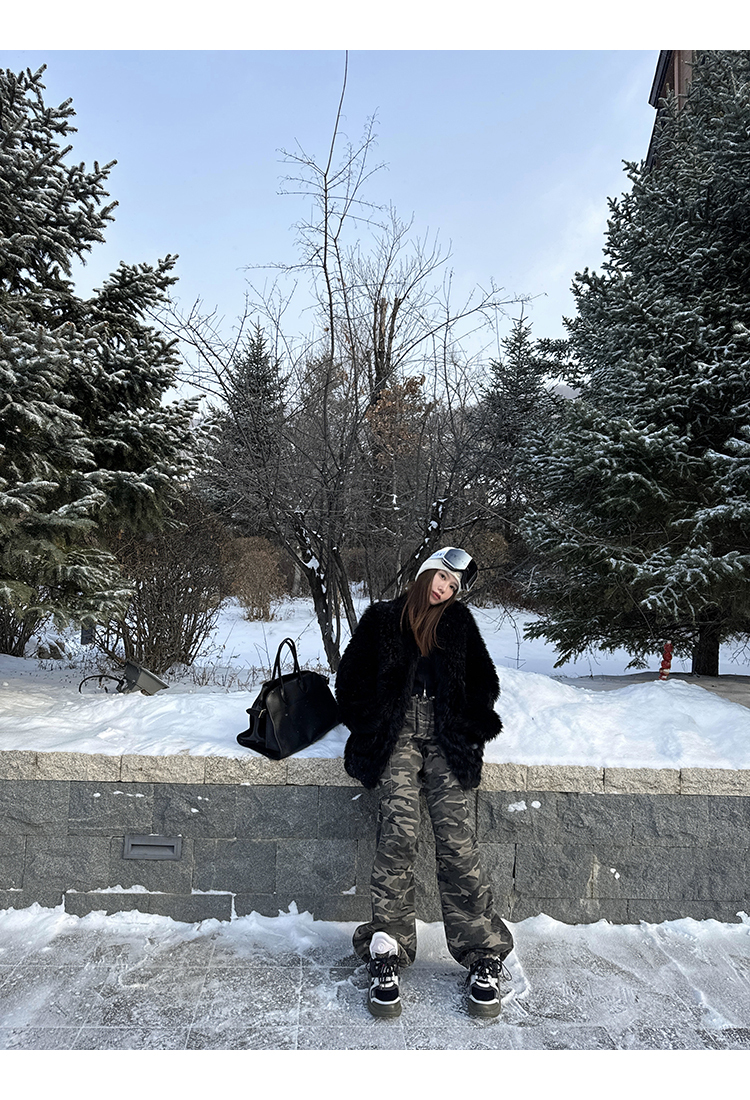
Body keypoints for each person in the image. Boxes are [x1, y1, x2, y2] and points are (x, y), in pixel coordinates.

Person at [335, 547, 514, 1020]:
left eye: (453, 586)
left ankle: (483, 951)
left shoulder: (458, 622)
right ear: (426, 571)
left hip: (445, 734)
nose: (444, 589)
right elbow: (349, 683)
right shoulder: (381, 619)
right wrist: (374, 720)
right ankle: (388, 947)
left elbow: (485, 682)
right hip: (396, 734)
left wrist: (468, 721)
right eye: (441, 578)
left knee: (456, 838)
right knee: (399, 831)